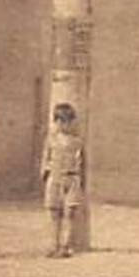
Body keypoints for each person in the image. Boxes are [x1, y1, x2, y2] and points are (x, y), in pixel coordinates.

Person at [41, 102, 85, 258]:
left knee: (69, 213)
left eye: (66, 121)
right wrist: (45, 177)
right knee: (54, 213)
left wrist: (79, 181)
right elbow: (46, 159)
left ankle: (65, 246)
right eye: (59, 121)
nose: (63, 125)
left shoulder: (77, 142)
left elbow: (81, 162)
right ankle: (53, 244)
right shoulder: (51, 140)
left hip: (71, 178)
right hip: (55, 178)